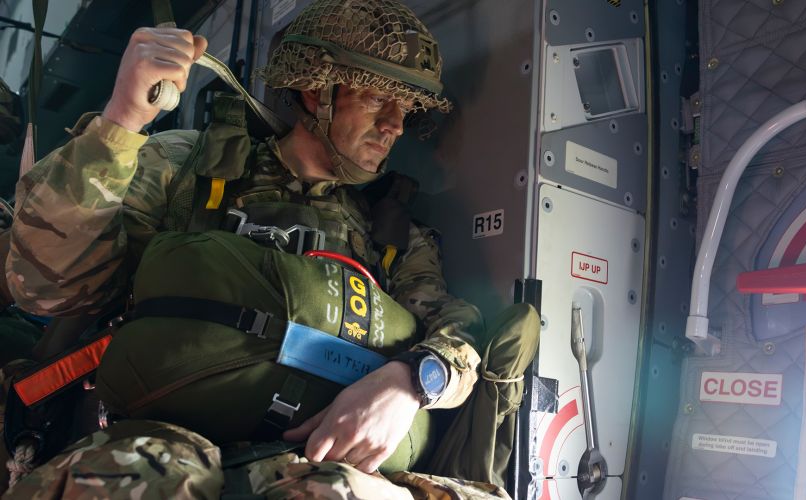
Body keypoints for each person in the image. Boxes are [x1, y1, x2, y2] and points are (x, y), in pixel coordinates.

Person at [3, 0, 523, 497]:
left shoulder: (389, 235)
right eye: (376, 97)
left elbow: (461, 330)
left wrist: (413, 381)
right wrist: (121, 122)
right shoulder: (184, 167)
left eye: (406, 108)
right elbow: (47, 290)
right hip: (160, 441)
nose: (394, 124)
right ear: (317, 92)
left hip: (311, 461)